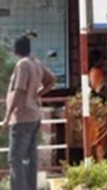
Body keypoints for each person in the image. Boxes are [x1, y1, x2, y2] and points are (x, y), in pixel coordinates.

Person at [3, 35, 56, 190]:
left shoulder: (22, 65)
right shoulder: (36, 62)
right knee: (29, 157)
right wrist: (37, 94)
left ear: (15, 50)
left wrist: (7, 116)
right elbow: (52, 80)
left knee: (15, 159)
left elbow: (19, 90)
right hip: (34, 115)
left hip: (22, 116)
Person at [88, 49, 107, 161]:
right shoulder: (97, 72)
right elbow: (99, 89)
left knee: (93, 137)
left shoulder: (90, 71)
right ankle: (100, 161)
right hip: (98, 107)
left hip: (93, 108)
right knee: (100, 137)